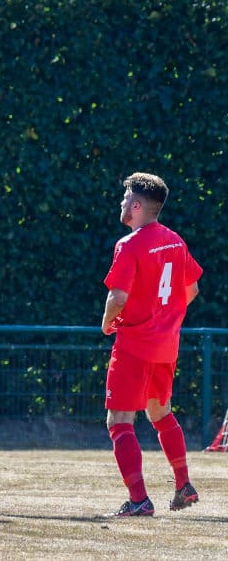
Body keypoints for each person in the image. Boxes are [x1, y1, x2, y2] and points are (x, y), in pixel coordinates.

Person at [100, 172, 203, 517]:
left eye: (126, 197)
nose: (122, 202)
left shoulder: (129, 245)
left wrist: (106, 323)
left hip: (134, 344)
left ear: (137, 205)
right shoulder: (175, 241)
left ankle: (139, 500)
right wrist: (165, 318)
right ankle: (183, 485)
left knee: (119, 421)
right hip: (166, 345)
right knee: (160, 413)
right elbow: (191, 290)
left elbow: (117, 297)